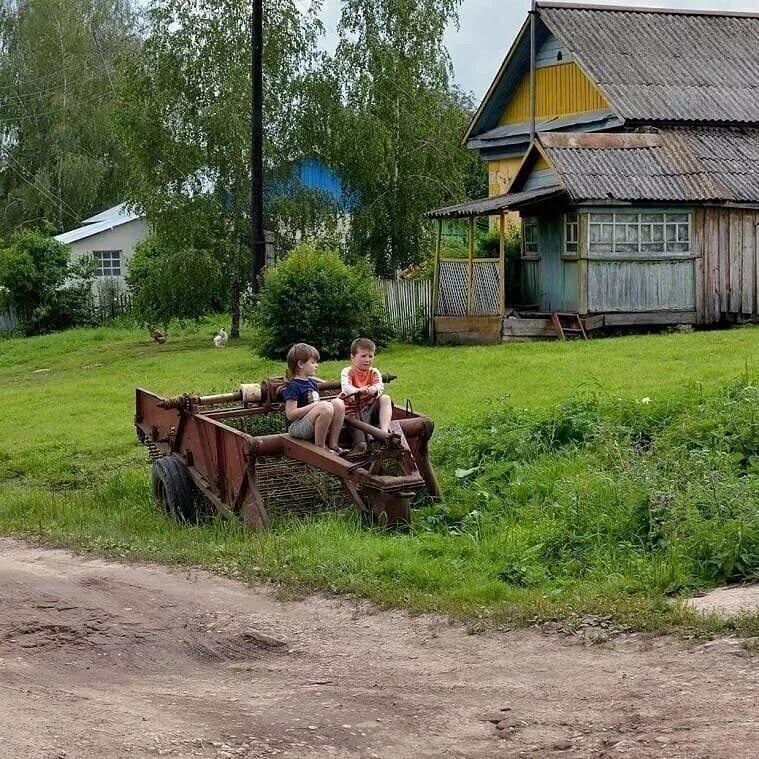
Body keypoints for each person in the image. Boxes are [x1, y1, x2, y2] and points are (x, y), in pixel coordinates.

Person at [282, 343, 346, 454]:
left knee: (338, 403)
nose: (317, 365)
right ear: (301, 364)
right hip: (297, 427)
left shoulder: (312, 383)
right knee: (325, 407)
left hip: (312, 423)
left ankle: (334, 444)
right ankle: (320, 448)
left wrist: (333, 401)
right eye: (313, 362)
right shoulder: (294, 386)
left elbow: (316, 403)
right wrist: (317, 405)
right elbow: (291, 414)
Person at [340, 337, 393, 455]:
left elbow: (380, 386)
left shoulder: (374, 372)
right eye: (363, 356)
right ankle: (355, 452)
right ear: (352, 357)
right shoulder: (347, 371)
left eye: (370, 356)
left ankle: (384, 432)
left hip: (370, 409)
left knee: (385, 398)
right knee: (363, 444)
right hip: (354, 414)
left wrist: (372, 389)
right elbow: (346, 388)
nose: (367, 360)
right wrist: (358, 390)